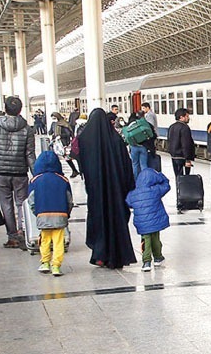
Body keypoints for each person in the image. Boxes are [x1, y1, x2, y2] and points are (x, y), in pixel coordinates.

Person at [77, 108, 137, 269]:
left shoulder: (85, 139)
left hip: (96, 191)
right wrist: (128, 186)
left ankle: (99, 255)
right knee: (116, 220)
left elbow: (82, 166)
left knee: (98, 219)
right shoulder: (116, 140)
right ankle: (117, 256)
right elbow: (127, 167)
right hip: (116, 192)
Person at [0, 96, 36, 249]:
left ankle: (12, 237)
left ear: (5, 108)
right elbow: (30, 154)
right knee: (22, 203)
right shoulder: (27, 128)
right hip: (20, 173)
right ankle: (24, 232)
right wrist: (36, 174)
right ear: (20, 110)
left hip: (1, 172)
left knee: (6, 204)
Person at [28, 151, 73, 276]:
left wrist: (36, 212)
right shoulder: (63, 180)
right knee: (58, 241)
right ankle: (56, 266)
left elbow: (31, 200)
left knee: (44, 240)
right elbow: (69, 200)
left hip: (43, 215)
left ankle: (45, 262)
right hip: (60, 215)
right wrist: (66, 213)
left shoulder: (35, 180)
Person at [126, 166, 170, 272]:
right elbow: (166, 185)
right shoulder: (155, 190)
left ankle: (146, 262)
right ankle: (158, 257)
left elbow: (129, 202)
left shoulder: (133, 193)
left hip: (142, 223)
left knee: (146, 240)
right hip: (155, 222)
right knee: (155, 238)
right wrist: (159, 175)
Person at [167, 108, 194, 176]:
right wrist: (188, 159)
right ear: (181, 117)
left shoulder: (171, 127)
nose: (188, 118)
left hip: (174, 156)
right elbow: (186, 144)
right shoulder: (185, 128)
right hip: (182, 156)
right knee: (185, 177)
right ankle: (184, 187)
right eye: (187, 116)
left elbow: (169, 140)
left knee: (178, 176)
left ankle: (178, 186)